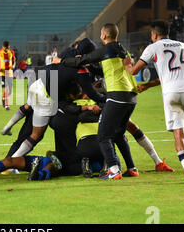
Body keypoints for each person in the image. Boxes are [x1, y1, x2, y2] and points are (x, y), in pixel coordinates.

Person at [123, 20, 184, 183]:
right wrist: (149, 85)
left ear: (154, 34)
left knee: (178, 133)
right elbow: (173, 72)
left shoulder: (153, 48)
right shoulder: (182, 45)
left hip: (170, 93)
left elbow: (133, 71)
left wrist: (127, 64)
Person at [53, 24, 138, 180]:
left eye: (101, 33)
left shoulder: (105, 50)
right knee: (118, 134)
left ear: (104, 35)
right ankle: (132, 168)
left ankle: (113, 169)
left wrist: (62, 60)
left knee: (104, 136)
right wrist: (89, 66)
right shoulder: (122, 50)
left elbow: (82, 60)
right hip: (131, 97)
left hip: (117, 96)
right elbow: (104, 70)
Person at [0, 41, 16, 110]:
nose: (7, 49)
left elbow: (14, 60)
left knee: (10, 91)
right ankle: (7, 105)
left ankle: (3, 98)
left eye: (8, 48)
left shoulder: (11, 52)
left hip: (10, 73)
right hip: (2, 74)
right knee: (6, 88)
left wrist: (13, 65)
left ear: (9, 46)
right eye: (6, 48)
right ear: (3, 47)